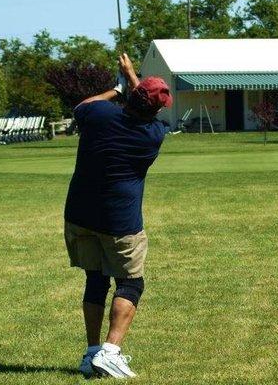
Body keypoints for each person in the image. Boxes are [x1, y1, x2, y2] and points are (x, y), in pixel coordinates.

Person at [64, 53, 172, 379]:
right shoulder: (153, 134)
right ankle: (110, 352)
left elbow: (84, 105)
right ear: (156, 110)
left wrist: (117, 87)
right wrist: (133, 79)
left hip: (79, 214)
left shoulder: (99, 115)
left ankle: (91, 353)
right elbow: (145, 105)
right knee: (131, 283)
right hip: (119, 221)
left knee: (95, 279)